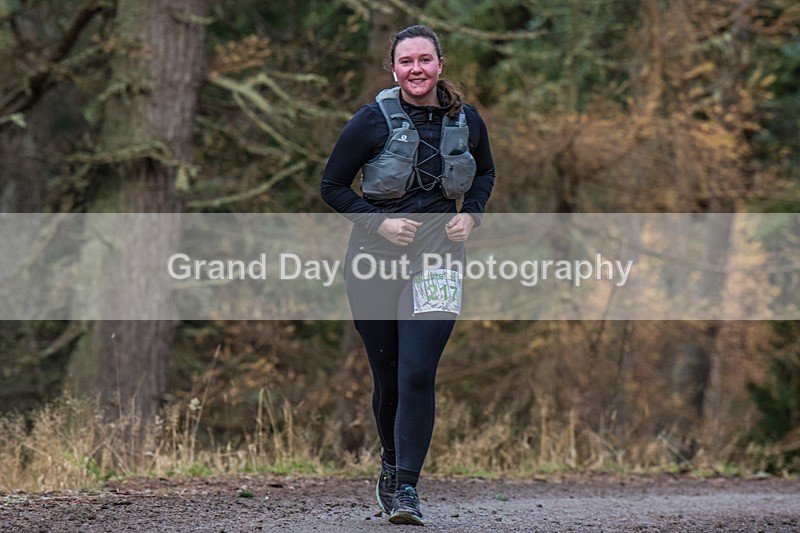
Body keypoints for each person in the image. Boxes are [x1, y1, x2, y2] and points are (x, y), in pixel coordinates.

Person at [320, 24, 494, 526]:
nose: (416, 69)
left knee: (418, 371)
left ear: (440, 64)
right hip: (374, 259)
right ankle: (391, 465)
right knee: (389, 377)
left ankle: (408, 491)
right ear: (393, 70)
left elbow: (484, 172)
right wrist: (379, 221)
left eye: (424, 60)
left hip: (439, 256)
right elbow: (332, 185)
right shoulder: (370, 121)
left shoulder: (468, 120)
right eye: (406, 62)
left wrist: (472, 214)